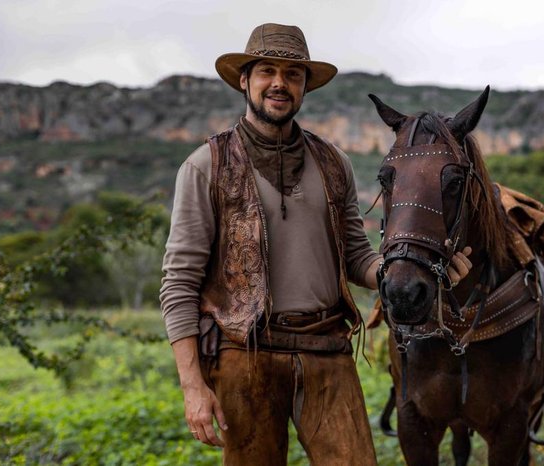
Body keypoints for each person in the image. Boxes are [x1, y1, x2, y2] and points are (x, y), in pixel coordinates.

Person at [159, 23, 473, 465]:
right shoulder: (204, 166)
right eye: (267, 71)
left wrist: (410, 270)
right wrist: (193, 386)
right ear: (244, 80)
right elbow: (178, 284)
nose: (279, 84)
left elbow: (356, 256)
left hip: (326, 348)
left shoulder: (332, 162)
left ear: (305, 86)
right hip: (244, 356)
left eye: (293, 74)